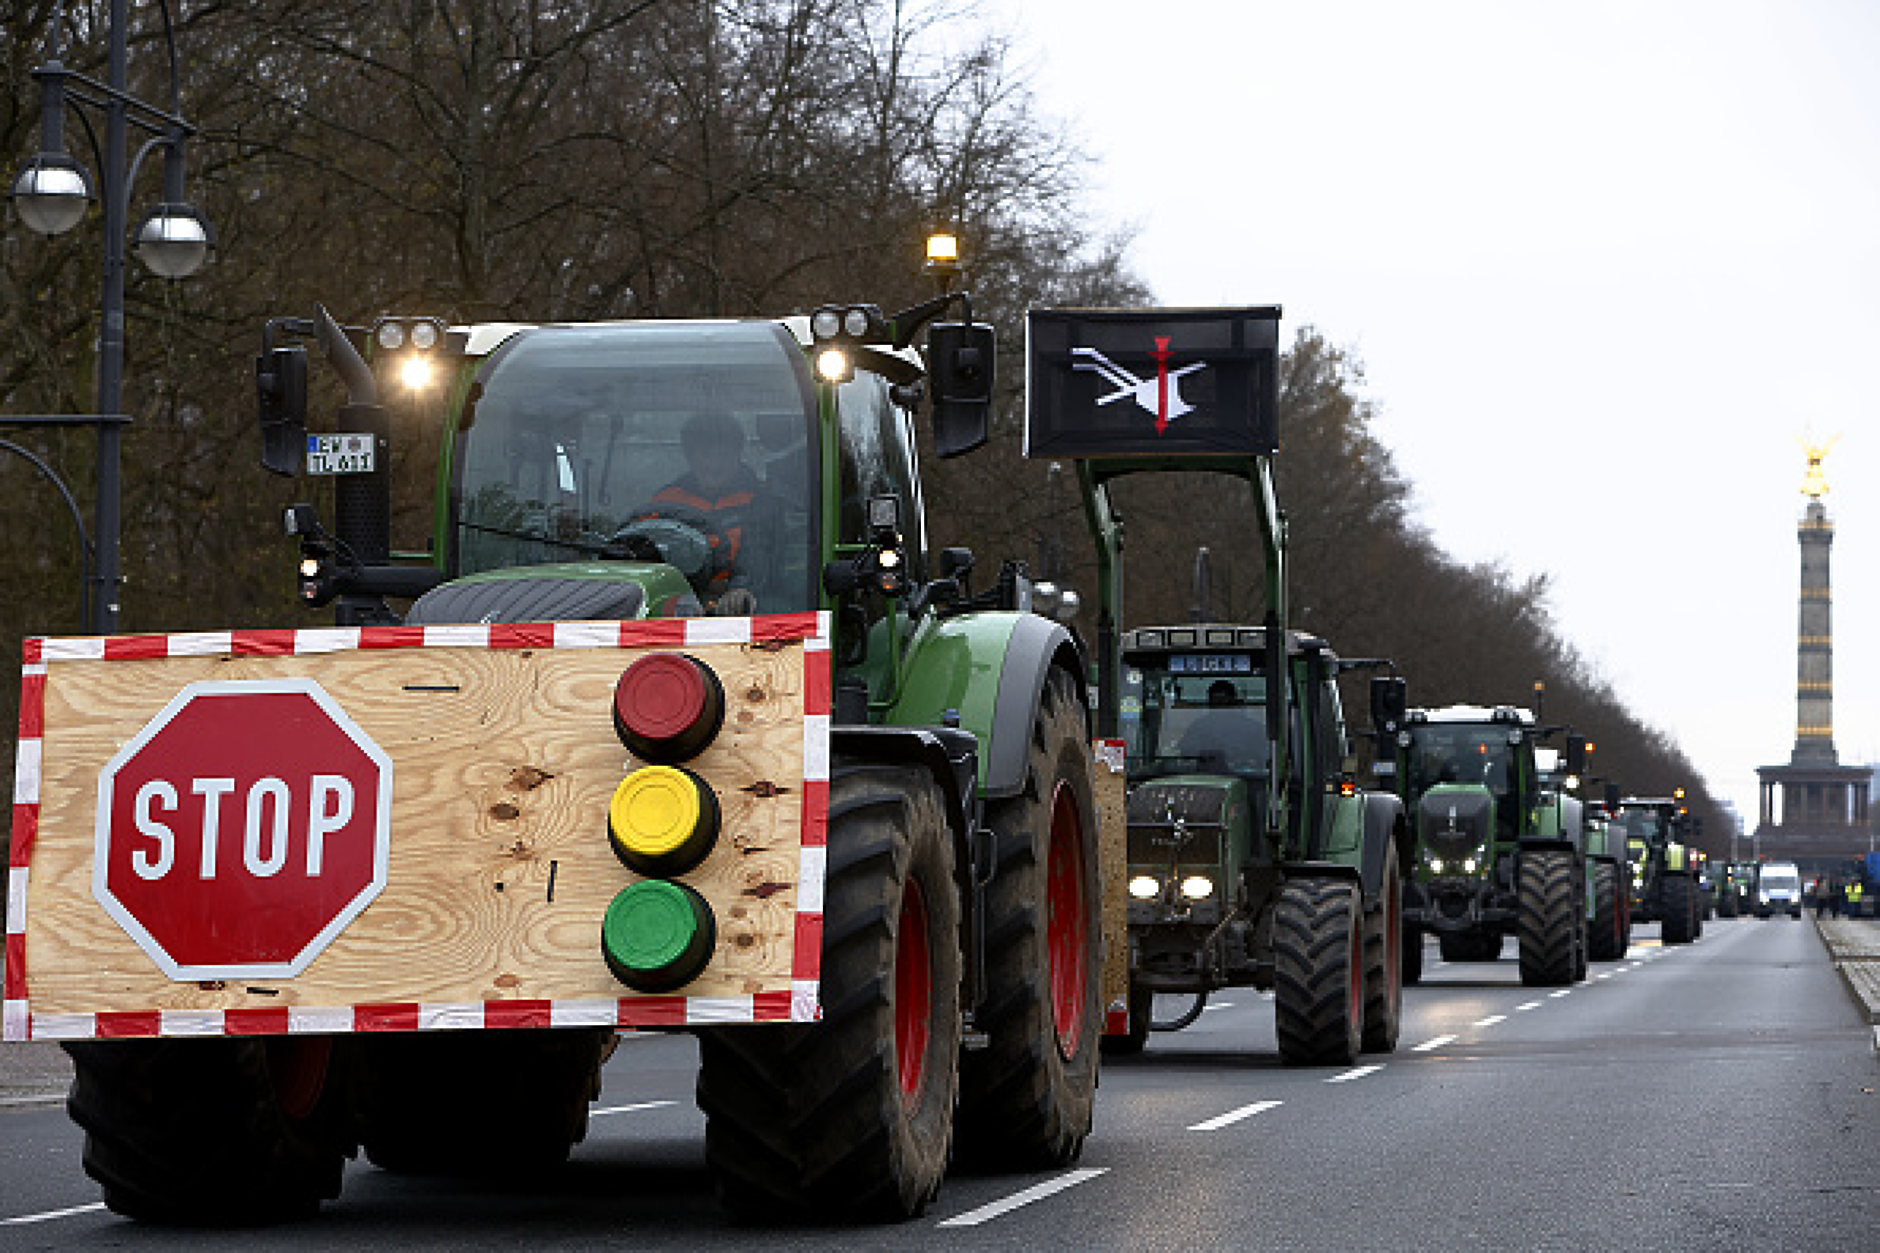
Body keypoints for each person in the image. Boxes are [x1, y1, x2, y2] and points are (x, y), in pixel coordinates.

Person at [643, 411, 785, 612]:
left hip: (738, 603)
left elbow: (762, 553)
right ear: (689, 456)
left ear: (738, 454)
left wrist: (743, 588)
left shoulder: (759, 500)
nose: (715, 464)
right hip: (676, 601)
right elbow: (644, 547)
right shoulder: (666, 501)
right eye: (705, 454)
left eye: (724, 454)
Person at [1175, 679, 1253, 766]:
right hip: (1203, 777)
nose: (1220, 707)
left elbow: (1263, 758)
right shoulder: (1198, 727)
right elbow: (1185, 755)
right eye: (1216, 702)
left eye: (1224, 702)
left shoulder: (1252, 729)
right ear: (1209, 703)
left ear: (1233, 702)